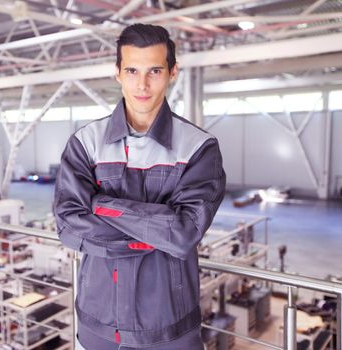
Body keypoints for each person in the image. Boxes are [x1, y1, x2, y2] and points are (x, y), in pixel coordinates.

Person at [54, 23, 226, 349]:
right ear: (117, 73)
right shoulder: (85, 144)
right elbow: (67, 225)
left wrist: (101, 205)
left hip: (169, 331)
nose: (142, 84)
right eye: (132, 70)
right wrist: (152, 233)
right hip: (96, 324)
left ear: (172, 72)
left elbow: (184, 232)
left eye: (154, 70)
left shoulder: (199, 147)